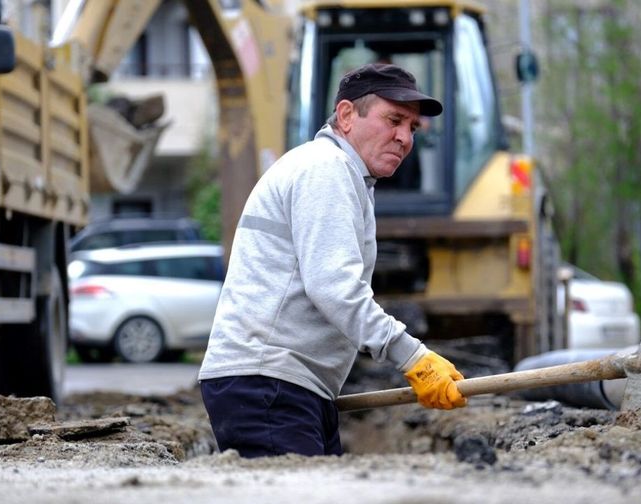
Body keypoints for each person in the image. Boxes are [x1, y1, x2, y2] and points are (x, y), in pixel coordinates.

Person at [198, 63, 467, 458]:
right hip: (268, 382)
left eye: (412, 127)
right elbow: (334, 287)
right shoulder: (327, 169)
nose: (405, 138)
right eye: (394, 119)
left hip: (287, 384)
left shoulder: (347, 176)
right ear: (346, 115)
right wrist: (413, 356)